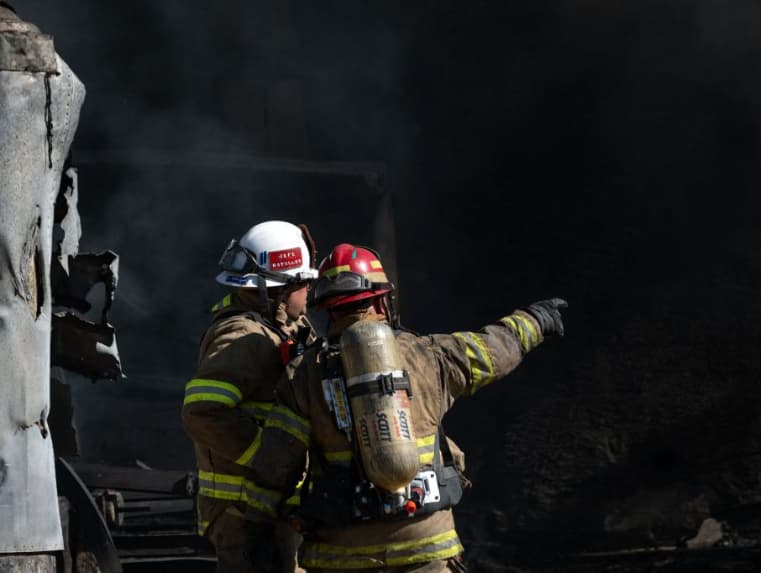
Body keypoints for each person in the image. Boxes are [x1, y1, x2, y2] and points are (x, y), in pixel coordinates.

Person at [250, 243, 566, 572]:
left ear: (327, 309)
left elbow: (276, 465)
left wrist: (257, 527)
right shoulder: (429, 355)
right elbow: (493, 352)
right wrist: (535, 320)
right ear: (380, 300)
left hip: (341, 556)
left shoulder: (302, 374)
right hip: (427, 547)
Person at [182, 220, 319, 573]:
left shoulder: (276, 329)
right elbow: (202, 412)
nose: (309, 292)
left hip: (268, 509)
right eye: (303, 282)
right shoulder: (243, 336)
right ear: (278, 289)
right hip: (243, 513)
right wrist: (269, 456)